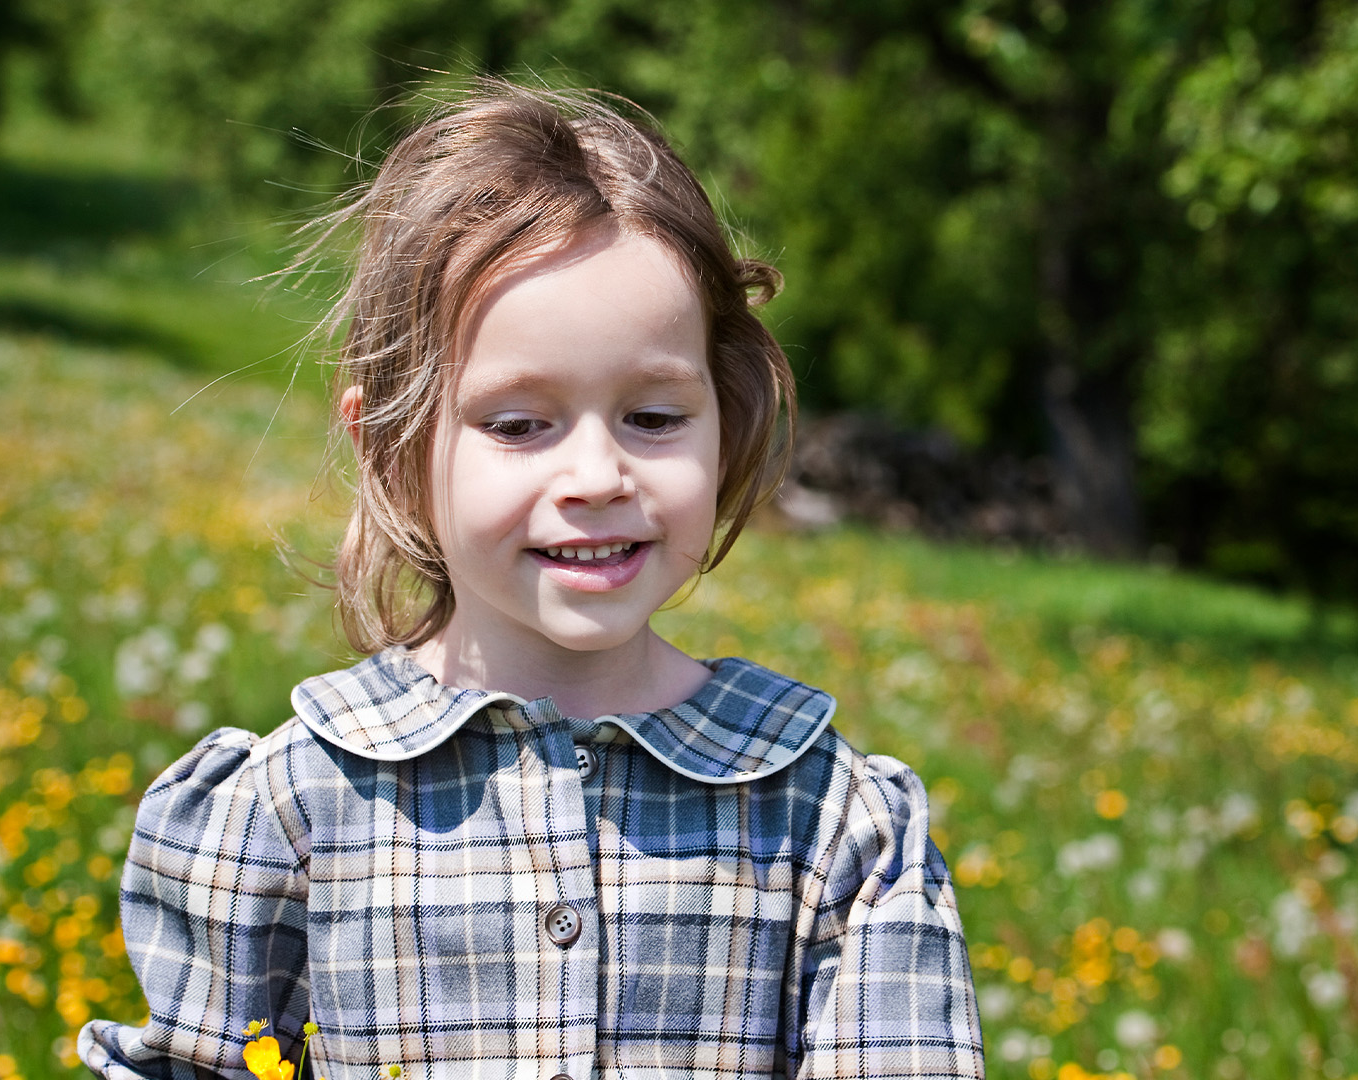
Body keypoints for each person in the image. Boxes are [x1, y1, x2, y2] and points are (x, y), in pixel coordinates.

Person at [78, 80, 984, 1080]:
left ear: (726, 424)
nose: (597, 477)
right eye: (519, 425)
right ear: (389, 451)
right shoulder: (286, 812)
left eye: (654, 418)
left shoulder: (830, 822)